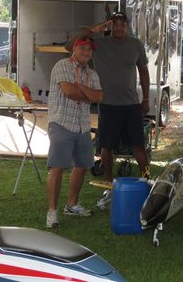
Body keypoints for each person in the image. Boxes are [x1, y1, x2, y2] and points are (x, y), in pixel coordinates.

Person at [70, 11, 151, 196]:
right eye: (115, 23)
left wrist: (146, 99)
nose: (119, 27)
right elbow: (72, 44)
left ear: (127, 26)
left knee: (139, 145)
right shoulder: (99, 44)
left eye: (122, 24)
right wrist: (93, 30)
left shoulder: (136, 45)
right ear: (110, 26)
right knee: (107, 146)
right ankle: (108, 184)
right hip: (107, 105)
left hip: (131, 105)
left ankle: (147, 180)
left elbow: (144, 72)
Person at [46, 36, 103, 229]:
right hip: (61, 122)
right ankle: (52, 212)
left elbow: (99, 97)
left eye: (89, 50)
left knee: (81, 166)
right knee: (57, 167)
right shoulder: (62, 65)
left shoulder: (92, 74)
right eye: (83, 48)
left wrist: (80, 87)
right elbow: (69, 92)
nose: (86, 52)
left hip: (83, 125)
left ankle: (72, 205)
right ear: (74, 49)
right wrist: (87, 93)